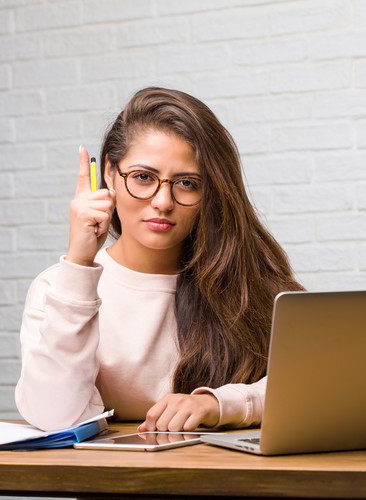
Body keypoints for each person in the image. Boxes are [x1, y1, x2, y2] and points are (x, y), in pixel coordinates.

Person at [15, 87, 303, 432]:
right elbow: (56, 417)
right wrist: (80, 262)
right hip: (114, 480)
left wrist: (216, 403)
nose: (163, 201)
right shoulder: (58, 287)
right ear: (109, 173)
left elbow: (313, 384)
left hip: (236, 477)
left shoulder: (243, 279)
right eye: (143, 177)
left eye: (186, 183)